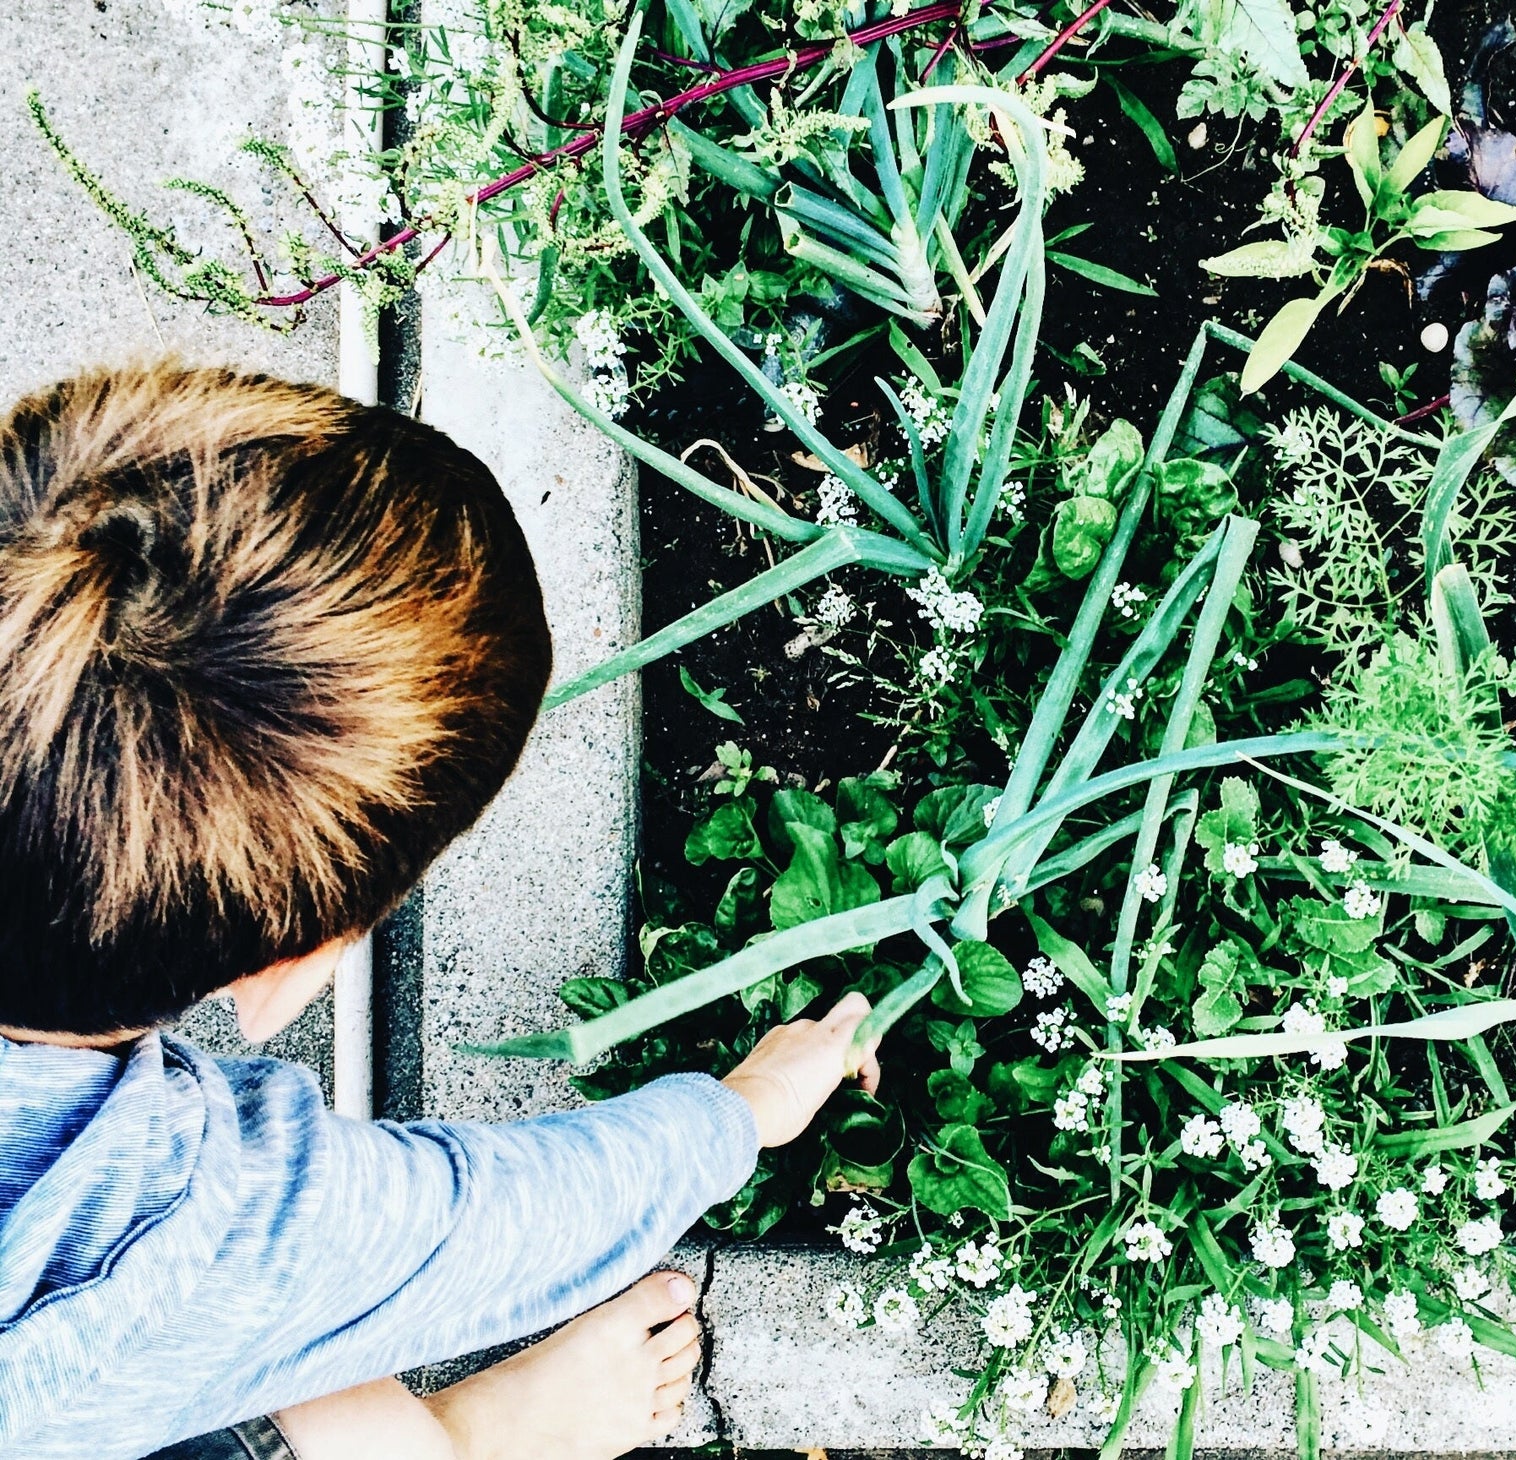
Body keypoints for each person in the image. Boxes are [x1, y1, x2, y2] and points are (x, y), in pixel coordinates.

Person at [0, 363, 880, 1460]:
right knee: (334, 1385)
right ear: (289, 970)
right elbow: (495, 1222)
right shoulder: (187, 1229)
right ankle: (478, 1439)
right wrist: (746, 1109)